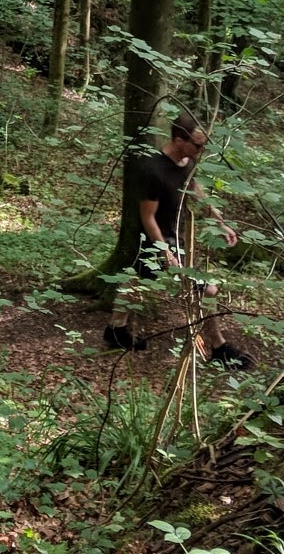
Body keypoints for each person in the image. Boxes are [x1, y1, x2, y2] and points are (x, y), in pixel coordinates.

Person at [105, 111, 253, 368]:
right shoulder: (153, 170)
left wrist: (221, 223)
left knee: (135, 279)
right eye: (198, 144)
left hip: (176, 240)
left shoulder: (187, 162)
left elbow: (195, 190)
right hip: (158, 242)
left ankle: (115, 329)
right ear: (178, 139)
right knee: (208, 290)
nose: (201, 149)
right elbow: (148, 217)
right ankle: (219, 347)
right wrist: (166, 253)